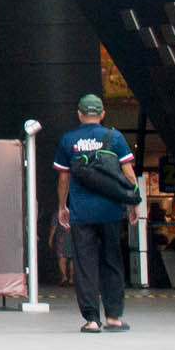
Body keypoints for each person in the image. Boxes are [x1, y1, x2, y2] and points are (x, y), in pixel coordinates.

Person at [53, 94, 139, 335]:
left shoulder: (69, 140)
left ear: (79, 114)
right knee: (112, 262)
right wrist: (134, 203)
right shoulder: (115, 138)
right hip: (112, 212)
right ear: (102, 114)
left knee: (85, 265)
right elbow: (129, 174)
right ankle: (114, 317)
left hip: (82, 214)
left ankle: (91, 319)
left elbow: (63, 177)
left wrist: (63, 205)